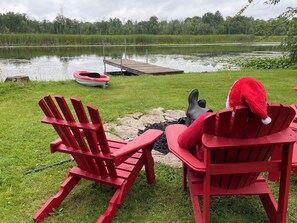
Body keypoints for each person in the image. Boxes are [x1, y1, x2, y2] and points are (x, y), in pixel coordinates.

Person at [177, 77, 272, 161]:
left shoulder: (215, 121)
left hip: (209, 167)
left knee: (204, 121)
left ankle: (194, 112)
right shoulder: (269, 125)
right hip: (247, 174)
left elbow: (182, 142)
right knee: (205, 120)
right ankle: (195, 110)